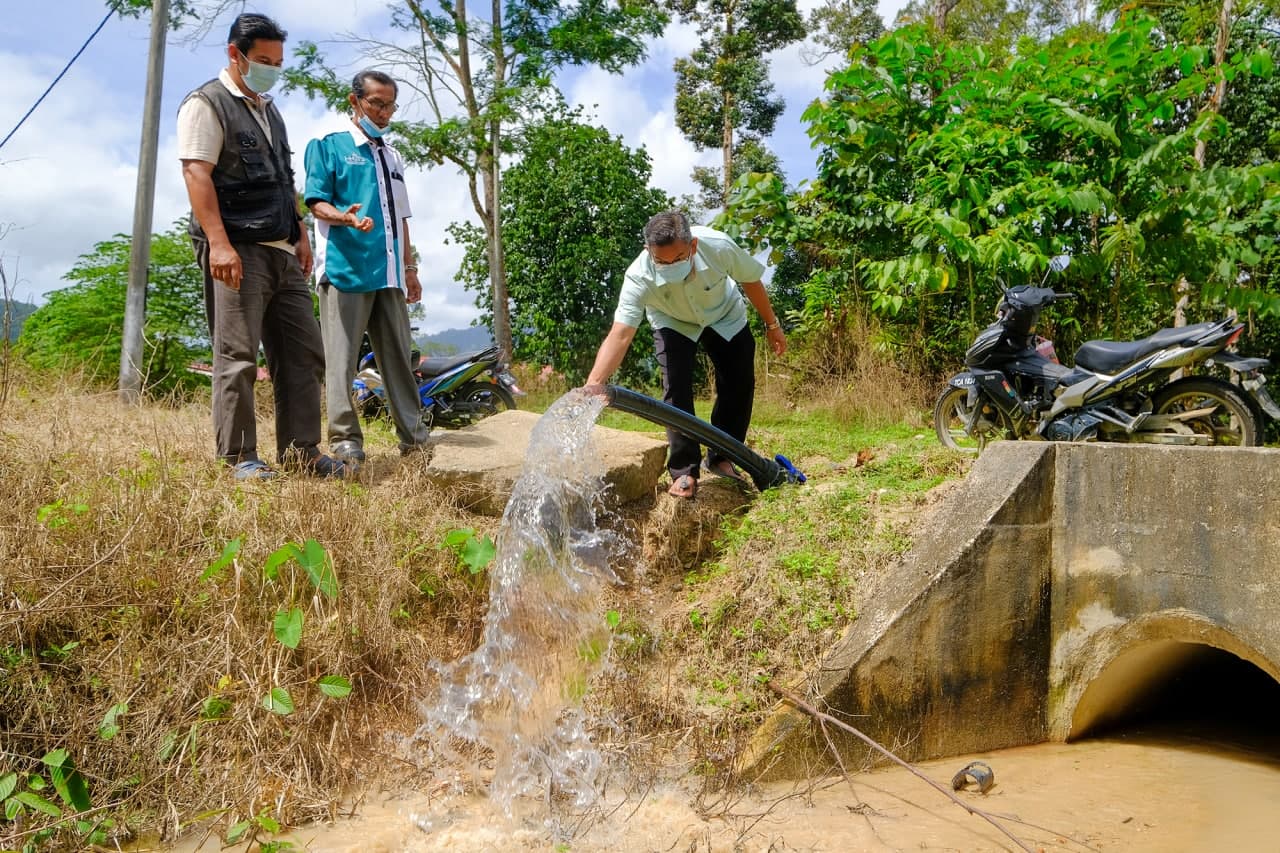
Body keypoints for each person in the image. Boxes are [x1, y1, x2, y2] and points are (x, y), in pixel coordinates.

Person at [178, 13, 346, 480]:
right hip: (236, 247)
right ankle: (239, 458)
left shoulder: (270, 111)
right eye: (264, 61)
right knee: (237, 356)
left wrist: (300, 231)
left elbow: (283, 179)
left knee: (303, 352)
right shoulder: (206, 103)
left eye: (277, 63)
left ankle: (302, 451)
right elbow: (196, 173)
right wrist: (218, 244)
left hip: (282, 249)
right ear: (235, 54)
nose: (271, 69)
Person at [584, 210, 787, 499]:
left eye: (678, 258)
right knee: (676, 388)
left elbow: (751, 280)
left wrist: (772, 325)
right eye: (662, 261)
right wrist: (594, 382)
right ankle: (684, 471)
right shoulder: (638, 275)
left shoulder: (718, 246)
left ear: (692, 245)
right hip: (672, 321)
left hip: (725, 315)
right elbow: (621, 333)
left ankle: (722, 459)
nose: (670, 266)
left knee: (738, 384)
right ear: (648, 251)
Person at [303, 69, 430, 467]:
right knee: (341, 362)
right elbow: (315, 202)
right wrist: (344, 217)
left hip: (389, 273)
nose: (384, 112)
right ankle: (345, 441)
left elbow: (402, 217)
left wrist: (409, 267)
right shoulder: (329, 145)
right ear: (354, 100)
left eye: (391, 105)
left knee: (399, 360)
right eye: (376, 103)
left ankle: (415, 439)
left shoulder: (392, 155)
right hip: (346, 270)